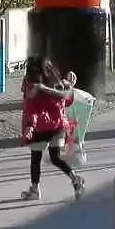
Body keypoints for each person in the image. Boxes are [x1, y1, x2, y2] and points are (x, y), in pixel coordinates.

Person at [18, 57, 86, 201]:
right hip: (58, 126)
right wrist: (70, 86)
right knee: (55, 157)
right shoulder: (57, 83)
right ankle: (75, 179)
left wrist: (30, 125)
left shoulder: (33, 85)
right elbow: (67, 101)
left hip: (40, 127)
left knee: (36, 158)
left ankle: (35, 189)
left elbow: (32, 108)